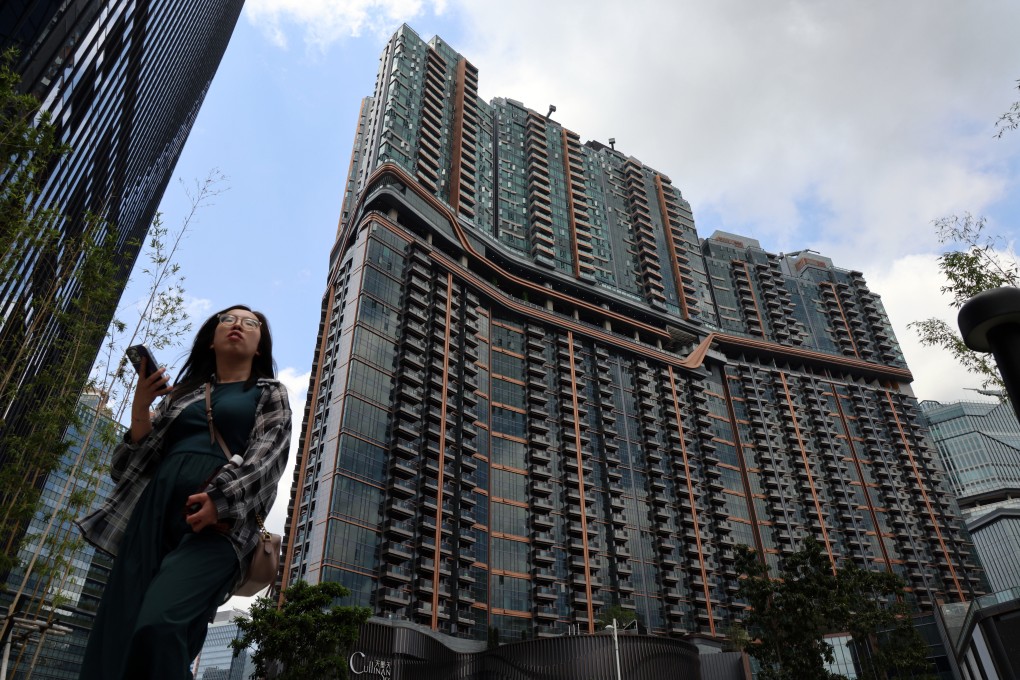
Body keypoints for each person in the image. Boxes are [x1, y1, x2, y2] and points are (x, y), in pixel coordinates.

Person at [76, 305, 292, 679]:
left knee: (161, 623)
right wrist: (142, 406)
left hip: (217, 525)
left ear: (260, 348)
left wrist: (219, 501)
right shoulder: (184, 395)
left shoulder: (268, 392)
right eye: (228, 319)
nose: (237, 325)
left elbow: (269, 457)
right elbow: (125, 467)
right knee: (118, 634)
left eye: (251, 323)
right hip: (150, 518)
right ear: (212, 338)